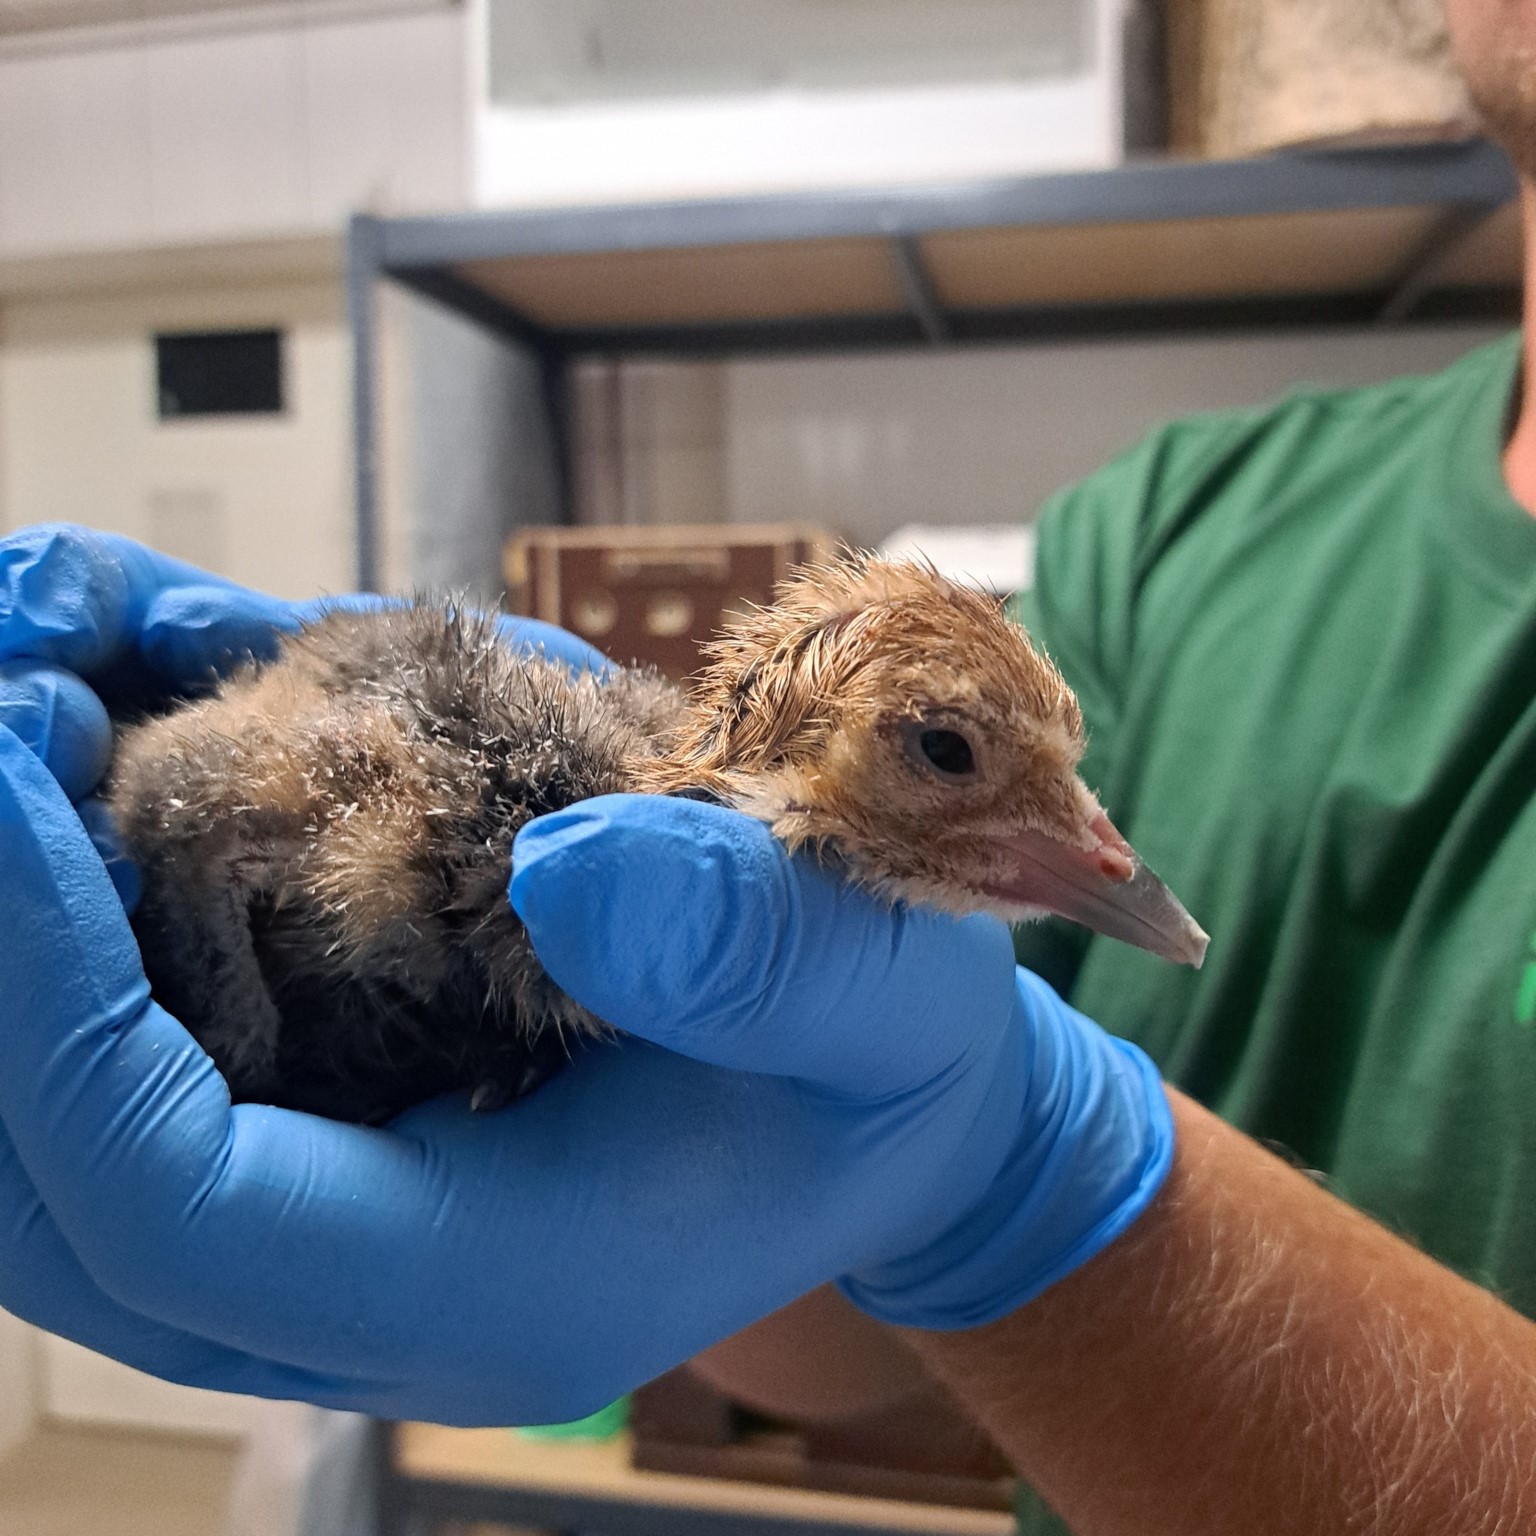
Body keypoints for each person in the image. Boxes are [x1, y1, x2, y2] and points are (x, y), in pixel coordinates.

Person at [3, 6, 1536, 1531]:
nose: (1102, 853)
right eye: (945, 756)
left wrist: (1027, 1184)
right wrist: (791, 1206)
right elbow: (852, 1312)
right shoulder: (1178, 527)